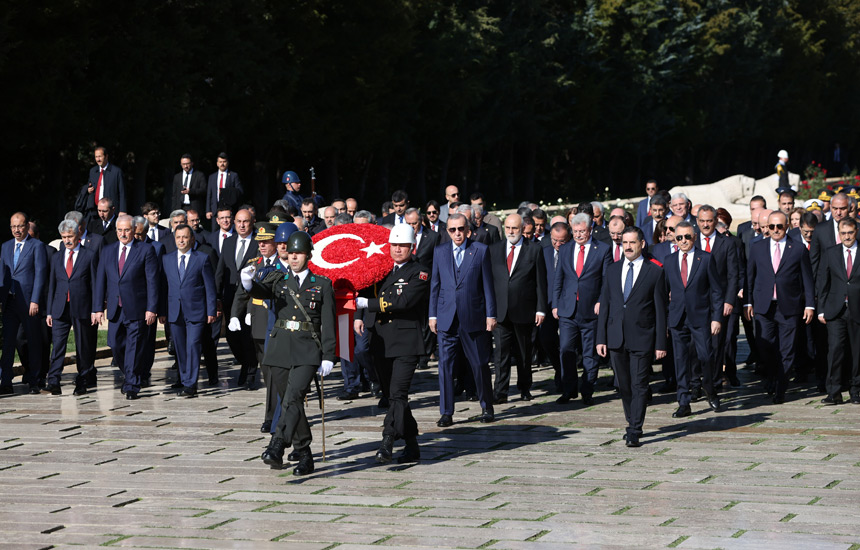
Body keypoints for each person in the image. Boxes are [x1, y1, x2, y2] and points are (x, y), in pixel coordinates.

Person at [249, 231, 336, 476]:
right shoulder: (278, 279)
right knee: (291, 402)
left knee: (293, 397)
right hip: (279, 349)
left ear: (308, 255)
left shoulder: (322, 284)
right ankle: (306, 456)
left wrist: (329, 355)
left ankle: (277, 444)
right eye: (291, 252)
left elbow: (328, 323)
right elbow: (260, 292)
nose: (294, 257)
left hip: (307, 349)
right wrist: (247, 283)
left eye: (299, 253)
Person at [355, 225, 430, 463]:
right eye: (394, 245)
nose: (398, 250)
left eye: (403, 246)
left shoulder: (419, 272)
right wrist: (358, 315)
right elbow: (364, 289)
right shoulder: (381, 268)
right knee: (393, 395)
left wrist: (368, 305)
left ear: (412, 247)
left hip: (406, 342)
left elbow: (402, 301)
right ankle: (412, 444)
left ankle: (387, 440)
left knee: (398, 393)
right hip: (381, 340)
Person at [596, 227, 667, 447]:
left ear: (642, 244)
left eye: (632, 242)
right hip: (616, 337)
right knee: (624, 385)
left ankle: (634, 428)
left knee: (639, 385)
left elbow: (660, 311)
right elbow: (605, 305)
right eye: (625, 242)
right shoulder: (613, 269)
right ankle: (632, 419)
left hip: (642, 337)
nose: (627, 246)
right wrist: (601, 338)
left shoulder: (654, 272)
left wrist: (660, 343)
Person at [429, 213, 496, 427]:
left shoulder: (480, 250)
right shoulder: (439, 252)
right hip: (446, 317)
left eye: (460, 229)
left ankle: (487, 406)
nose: (457, 233)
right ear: (447, 231)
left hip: (473, 316)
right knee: (445, 366)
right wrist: (432, 314)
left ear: (467, 230)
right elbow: (435, 286)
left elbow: (488, 286)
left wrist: (490, 314)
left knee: (479, 364)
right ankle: (446, 411)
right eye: (452, 230)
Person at [745, 211, 814, 404]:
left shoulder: (798, 249)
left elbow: (807, 280)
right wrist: (748, 302)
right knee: (764, 346)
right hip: (763, 306)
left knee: (787, 350)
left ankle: (781, 388)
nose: (775, 230)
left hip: (789, 306)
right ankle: (773, 377)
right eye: (772, 226)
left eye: (780, 226)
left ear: (787, 227)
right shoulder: (757, 248)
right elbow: (750, 277)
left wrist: (809, 305)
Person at [93, 215, 159, 400]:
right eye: (120, 230)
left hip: (137, 307)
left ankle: (131, 384)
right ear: (116, 231)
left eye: (127, 230)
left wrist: (151, 308)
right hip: (115, 308)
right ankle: (130, 373)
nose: (123, 233)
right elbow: (101, 280)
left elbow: (152, 282)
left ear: (134, 230)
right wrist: (98, 308)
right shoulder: (107, 250)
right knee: (115, 345)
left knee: (134, 346)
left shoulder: (146, 250)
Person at [664, 221, 723, 417]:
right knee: (680, 361)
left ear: (694, 237)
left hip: (701, 317)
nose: (683, 241)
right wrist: (666, 320)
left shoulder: (705, 259)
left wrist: (716, 318)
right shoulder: (669, 260)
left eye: (687, 237)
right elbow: (664, 292)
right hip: (677, 318)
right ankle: (683, 401)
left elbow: (716, 290)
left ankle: (710, 390)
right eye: (679, 237)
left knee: (706, 356)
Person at [553, 213, 612, 406]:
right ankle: (569, 390)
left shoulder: (602, 249)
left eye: (582, 231)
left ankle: (587, 389)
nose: (578, 235)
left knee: (589, 353)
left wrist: (602, 301)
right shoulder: (565, 249)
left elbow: (607, 281)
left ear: (590, 230)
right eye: (576, 231)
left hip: (590, 310)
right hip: (568, 310)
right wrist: (556, 304)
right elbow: (559, 279)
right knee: (566, 350)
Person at [489, 213, 546, 403]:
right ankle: (500, 391)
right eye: (508, 228)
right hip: (501, 310)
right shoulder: (494, 249)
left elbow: (540, 282)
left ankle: (524, 387)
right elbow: (489, 282)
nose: (511, 231)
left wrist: (540, 309)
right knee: (501, 354)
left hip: (524, 310)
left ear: (522, 229)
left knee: (524, 353)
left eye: (514, 228)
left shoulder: (534, 250)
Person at [158, 225, 216, 398]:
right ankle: (184, 380)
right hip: (174, 311)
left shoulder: (202, 259)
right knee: (180, 348)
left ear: (192, 239)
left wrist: (211, 310)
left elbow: (209, 288)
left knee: (193, 345)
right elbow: (163, 287)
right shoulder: (166, 260)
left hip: (196, 311)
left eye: (185, 237)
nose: (181, 240)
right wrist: (162, 310)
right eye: (178, 237)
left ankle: (191, 383)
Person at [43, 220, 99, 396]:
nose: (67, 240)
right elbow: (52, 284)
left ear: (78, 236)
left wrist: (96, 309)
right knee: (58, 345)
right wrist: (50, 311)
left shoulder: (89, 255)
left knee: (83, 346)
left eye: (70, 236)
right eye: (64, 237)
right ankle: (53, 381)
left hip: (82, 307)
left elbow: (95, 284)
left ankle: (82, 380)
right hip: (60, 307)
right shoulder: (57, 256)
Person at [0, 213, 47, 394]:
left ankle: (34, 380)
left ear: (27, 226)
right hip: (9, 301)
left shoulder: (36, 246)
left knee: (33, 340)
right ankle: (6, 381)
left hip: (29, 302)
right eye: (13, 227)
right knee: (8, 342)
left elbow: (40, 274)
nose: (16, 230)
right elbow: (2, 274)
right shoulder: (5, 247)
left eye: (19, 226)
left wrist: (35, 300)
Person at [817, 217, 860, 405]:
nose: (847, 237)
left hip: (858, 309)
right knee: (835, 351)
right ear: (839, 234)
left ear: (856, 232)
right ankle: (833, 392)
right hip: (835, 310)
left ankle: (856, 390)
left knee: (858, 352)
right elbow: (822, 282)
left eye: (850, 233)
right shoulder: (831, 252)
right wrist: (820, 310)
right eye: (843, 233)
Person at [695, 205, 738, 391]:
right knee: (695, 346)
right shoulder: (692, 241)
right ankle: (695, 384)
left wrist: (729, 300)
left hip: (719, 303)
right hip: (696, 302)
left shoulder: (727, 243)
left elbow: (733, 275)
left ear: (715, 221)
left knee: (717, 344)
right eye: (702, 221)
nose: (705, 225)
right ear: (697, 222)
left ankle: (713, 383)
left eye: (709, 221)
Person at [215, 209, 258, 386]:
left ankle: (249, 373)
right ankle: (245, 363)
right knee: (233, 338)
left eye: (245, 221)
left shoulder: (258, 243)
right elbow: (220, 271)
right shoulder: (229, 242)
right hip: (230, 297)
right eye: (238, 221)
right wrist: (216, 296)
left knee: (248, 337)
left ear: (252, 222)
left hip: (250, 299)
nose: (241, 225)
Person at [810, 192, 849, 276]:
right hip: (827, 283)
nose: (838, 213)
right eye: (835, 208)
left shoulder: (858, 230)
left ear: (849, 208)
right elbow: (814, 260)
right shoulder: (820, 230)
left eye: (842, 209)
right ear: (830, 207)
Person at [206, 153, 243, 226]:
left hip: (229, 208)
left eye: (224, 162)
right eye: (220, 162)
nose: (222, 164)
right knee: (215, 232)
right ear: (217, 163)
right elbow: (209, 194)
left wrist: (225, 192)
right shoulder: (212, 177)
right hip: (215, 209)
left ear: (227, 163)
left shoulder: (233, 176)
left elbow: (240, 191)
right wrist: (208, 210)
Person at [87, 146, 127, 214]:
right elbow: (89, 186)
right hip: (95, 211)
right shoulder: (93, 171)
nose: (98, 159)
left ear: (106, 156)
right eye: (96, 157)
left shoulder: (116, 172)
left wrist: (122, 210)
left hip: (111, 211)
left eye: (100, 156)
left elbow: (122, 192)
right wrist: (88, 190)